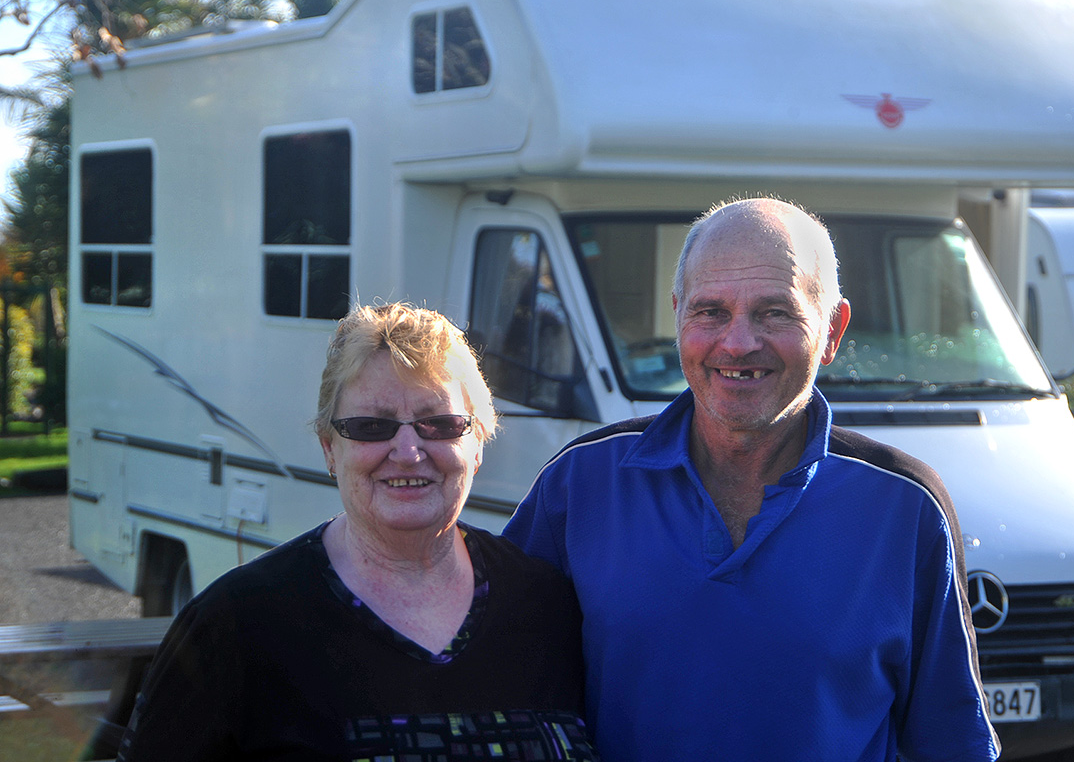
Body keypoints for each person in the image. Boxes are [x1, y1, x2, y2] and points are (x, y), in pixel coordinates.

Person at [504, 198, 1000, 761]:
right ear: (678, 317)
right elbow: (498, 688)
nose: (738, 343)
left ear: (832, 329)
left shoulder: (903, 508)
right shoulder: (582, 482)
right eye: (711, 311)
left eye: (774, 312)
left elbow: (952, 745)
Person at [118, 302, 596, 761]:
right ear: (330, 448)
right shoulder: (236, 625)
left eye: (440, 424)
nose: (408, 452)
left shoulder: (548, 605)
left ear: (477, 444)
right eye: (371, 426)